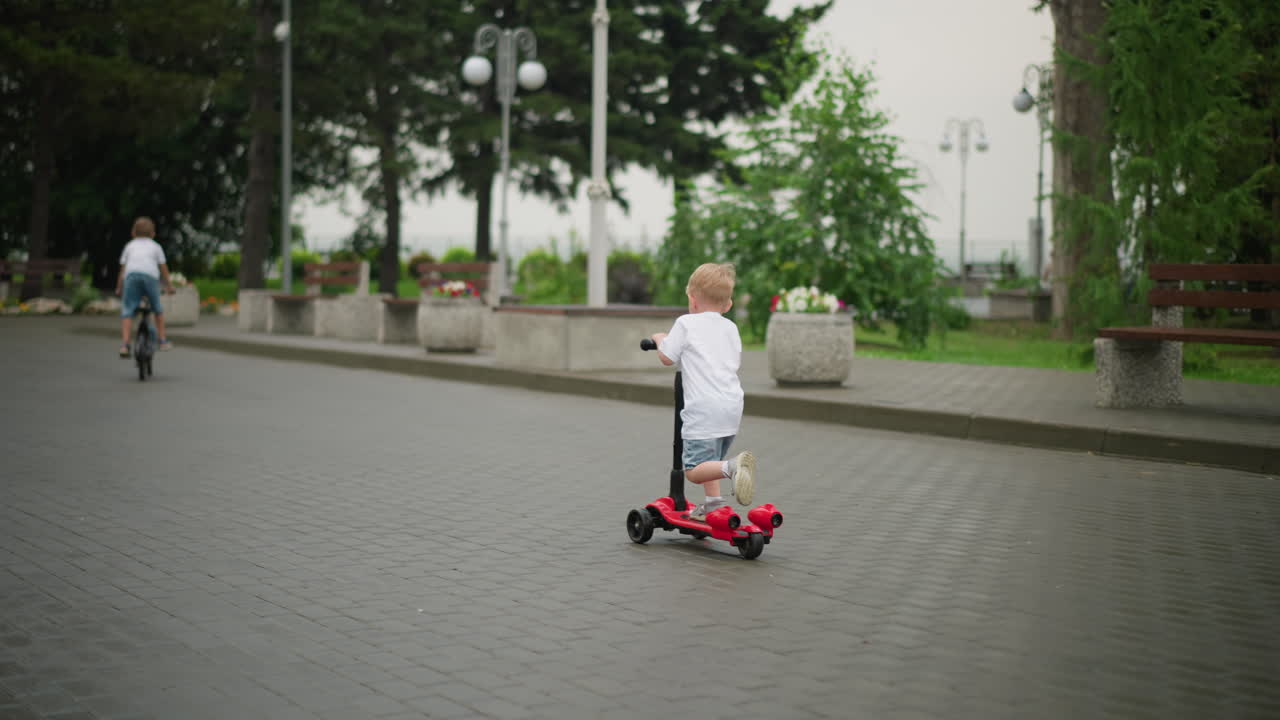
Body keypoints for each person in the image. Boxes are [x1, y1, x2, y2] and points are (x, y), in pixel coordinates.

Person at [649, 262, 756, 521]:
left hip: (704, 408)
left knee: (695, 469)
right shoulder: (730, 328)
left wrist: (659, 338)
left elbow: (666, 357)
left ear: (692, 299)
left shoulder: (686, 324)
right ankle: (713, 503)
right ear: (728, 305)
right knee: (712, 458)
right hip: (731, 405)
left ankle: (733, 468)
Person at [115, 217, 174, 357]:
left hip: (132, 277)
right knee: (157, 309)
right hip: (150, 277)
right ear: (153, 233)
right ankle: (162, 340)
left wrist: (119, 288)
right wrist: (169, 286)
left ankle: (125, 345)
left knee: (128, 310)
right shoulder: (156, 246)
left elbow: (122, 270)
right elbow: (163, 268)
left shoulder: (130, 246)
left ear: (133, 233)